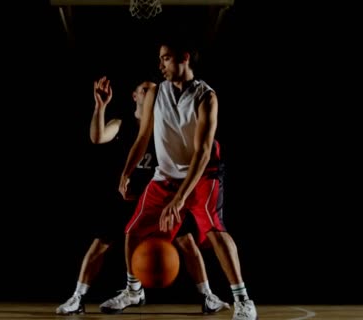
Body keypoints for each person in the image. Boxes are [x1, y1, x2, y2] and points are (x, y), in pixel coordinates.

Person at [101, 36, 258, 320]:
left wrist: (180, 198)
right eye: (160, 58)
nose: (160, 64)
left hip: (203, 175)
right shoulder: (154, 92)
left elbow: (202, 152)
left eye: (166, 57)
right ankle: (133, 290)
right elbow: (143, 136)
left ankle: (243, 299)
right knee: (133, 231)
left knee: (213, 230)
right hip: (165, 176)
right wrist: (127, 171)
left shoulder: (206, 96)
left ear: (184, 57)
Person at [56, 76, 230, 315]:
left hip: (159, 198)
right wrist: (100, 107)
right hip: (127, 199)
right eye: (145, 90)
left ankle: (208, 296)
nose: (153, 92)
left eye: (154, 90)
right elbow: (97, 137)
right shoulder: (123, 123)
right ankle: (78, 297)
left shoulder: (165, 124)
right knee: (99, 246)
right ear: (136, 96)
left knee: (188, 243)